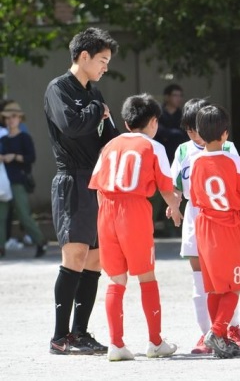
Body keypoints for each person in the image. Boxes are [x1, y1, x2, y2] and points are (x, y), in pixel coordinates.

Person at [88, 94, 182, 361]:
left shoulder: (110, 145)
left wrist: (106, 216)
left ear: (127, 123)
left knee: (116, 280)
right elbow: (165, 187)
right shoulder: (154, 146)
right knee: (146, 276)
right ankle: (155, 342)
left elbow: (97, 185)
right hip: (134, 211)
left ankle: (116, 344)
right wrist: (175, 208)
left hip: (107, 210)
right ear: (153, 122)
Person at [44, 27, 119, 355]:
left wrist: (105, 121)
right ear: (84, 56)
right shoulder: (58, 88)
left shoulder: (95, 93)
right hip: (72, 180)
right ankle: (59, 337)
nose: (105, 67)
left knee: (95, 259)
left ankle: (80, 333)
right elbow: (70, 126)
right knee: (74, 254)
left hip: (96, 181)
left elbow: (109, 137)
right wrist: (96, 111)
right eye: (103, 60)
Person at [169, 98, 240, 353]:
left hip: (224, 216)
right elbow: (175, 186)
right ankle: (207, 333)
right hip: (196, 215)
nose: (195, 136)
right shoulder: (183, 151)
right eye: (190, 131)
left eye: (198, 129)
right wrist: (174, 205)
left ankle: (232, 328)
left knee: (228, 279)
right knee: (200, 278)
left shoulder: (227, 147)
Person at [190, 104, 240, 359]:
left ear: (199, 133)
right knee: (234, 286)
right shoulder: (232, 159)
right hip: (227, 225)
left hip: (204, 225)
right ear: (225, 134)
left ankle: (217, 337)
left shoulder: (195, 162)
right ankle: (217, 331)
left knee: (214, 288)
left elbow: (194, 197)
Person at [0, 101, 47, 257]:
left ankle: (40, 242)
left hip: (18, 181)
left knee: (23, 215)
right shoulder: (3, 139)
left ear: (19, 118)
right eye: (7, 118)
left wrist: (14, 157)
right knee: (1, 216)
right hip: (4, 182)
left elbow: (31, 158)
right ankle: (1, 247)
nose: (10, 120)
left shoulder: (24, 138)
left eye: (13, 117)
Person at [156, 84, 188, 160]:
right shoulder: (158, 113)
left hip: (177, 155)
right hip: (160, 154)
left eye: (180, 96)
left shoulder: (183, 115)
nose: (178, 99)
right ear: (167, 97)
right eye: (175, 95)